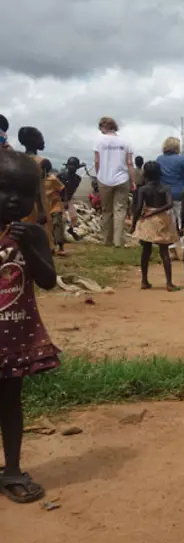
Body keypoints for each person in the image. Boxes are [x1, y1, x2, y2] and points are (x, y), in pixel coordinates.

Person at [0, 150, 60, 504]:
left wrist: (29, 246)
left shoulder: (33, 235)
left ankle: (12, 469)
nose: (14, 199)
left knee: (10, 403)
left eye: (24, 193)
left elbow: (48, 280)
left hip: (12, 338)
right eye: (5, 189)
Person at [130, 161, 179, 291]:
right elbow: (170, 204)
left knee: (146, 251)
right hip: (163, 219)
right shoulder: (165, 188)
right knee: (164, 251)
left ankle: (144, 281)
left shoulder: (143, 189)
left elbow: (138, 208)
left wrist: (134, 224)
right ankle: (169, 283)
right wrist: (157, 211)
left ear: (145, 174)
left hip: (148, 220)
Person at [94, 116, 135, 247]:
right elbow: (130, 163)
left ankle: (107, 239)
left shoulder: (99, 142)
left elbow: (97, 161)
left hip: (104, 178)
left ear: (104, 127)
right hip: (122, 178)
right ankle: (118, 241)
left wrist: (98, 174)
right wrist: (133, 180)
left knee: (106, 210)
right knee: (120, 210)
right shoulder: (125, 142)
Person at [16, 127, 51, 242]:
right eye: (40, 137)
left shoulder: (18, 159)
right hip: (36, 205)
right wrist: (41, 211)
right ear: (32, 140)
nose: (43, 141)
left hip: (21, 205)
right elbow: (37, 188)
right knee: (39, 239)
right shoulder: (41, 162)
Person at [39, 159, 66, 255]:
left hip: (55, 206)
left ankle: (60, 246)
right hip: (44, 207)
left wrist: (64, 202)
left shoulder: (53, 179)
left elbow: (63, 189)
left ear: (45, 170)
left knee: (56, 224)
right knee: (46, 228)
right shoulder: (37, 180)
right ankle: (50, 247)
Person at [57, 157, 83, 241]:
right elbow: (60, 188)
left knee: (74, 217)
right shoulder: (61, 176)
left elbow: (71, 190)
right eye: (71, 166)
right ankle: (59, 237)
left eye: (74, 166)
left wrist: (68, 200)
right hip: (58, 199)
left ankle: (71, 230)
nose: (72, 168)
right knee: (62, 218)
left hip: (68, 199)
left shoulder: (78, 179)